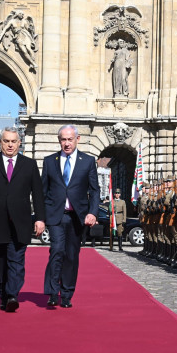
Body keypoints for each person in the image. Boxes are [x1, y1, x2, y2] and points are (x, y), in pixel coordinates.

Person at [0, 126, 45, 312]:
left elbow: (38, 194)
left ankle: (12, 294)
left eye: (14, 141)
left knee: (16, 260)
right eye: (6, 141)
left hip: (20, 222)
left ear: (19, 143)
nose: (10, 145)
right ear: (0, 143)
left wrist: (40, 219)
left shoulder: (29, 165)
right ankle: (3, 295)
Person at [41, 125, 99, 308]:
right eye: (63, 140)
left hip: (76, 217)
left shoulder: (87, 161)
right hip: (56, 216)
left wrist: (92, 212)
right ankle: (52, 292)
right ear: (59, 140)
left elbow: (94, 191)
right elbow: (43, 191)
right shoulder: (49, 161)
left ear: (77, 139)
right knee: (57, 250)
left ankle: (66, 294)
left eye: (70, 139)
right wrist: (41, 216)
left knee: (71, 256)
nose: (67, 143)